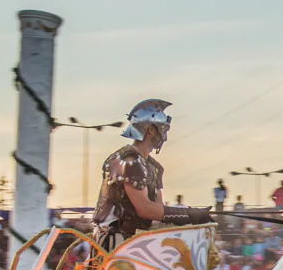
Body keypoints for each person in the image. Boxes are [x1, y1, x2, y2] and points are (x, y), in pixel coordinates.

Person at [91, 99, 212, 251]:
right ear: (151, 130)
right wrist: (188, 214)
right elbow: (145, 208)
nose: (165, 137)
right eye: (163, 129)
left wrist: (193, 215)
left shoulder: (153, 167)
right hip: (115, 241)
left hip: (137, 240)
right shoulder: (128, 160)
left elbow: (157, 211)